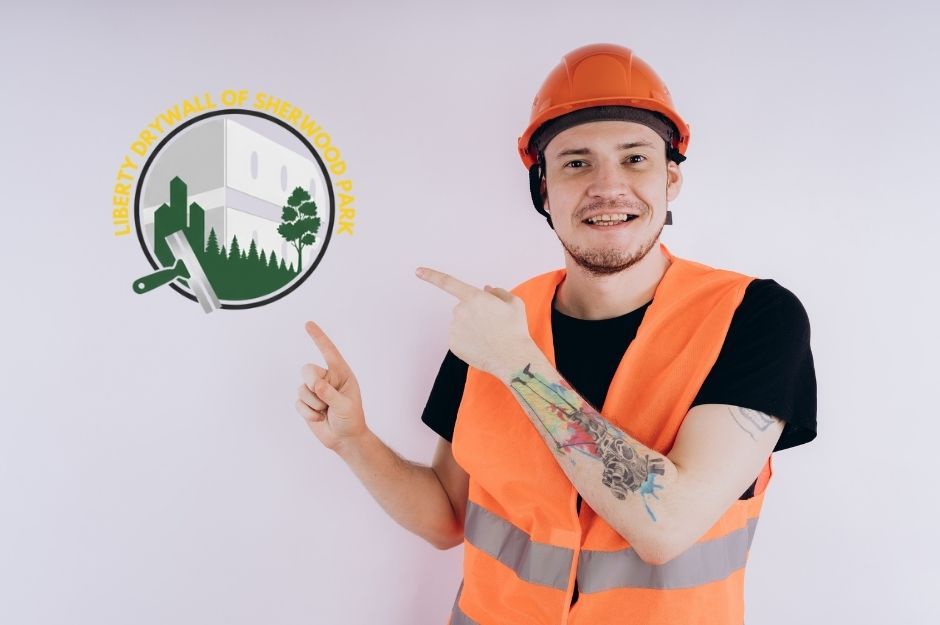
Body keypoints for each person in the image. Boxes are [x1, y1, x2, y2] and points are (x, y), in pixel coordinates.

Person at [296, 43, 817, 625]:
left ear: (671, 179)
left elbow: (667, 525)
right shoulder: (496, 322)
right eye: (576, 163)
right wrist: (354, 441)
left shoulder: (752, 317)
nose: (608, 186)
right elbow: (447, 516)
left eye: (635, 158)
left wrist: (518, 365)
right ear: (544, 189)